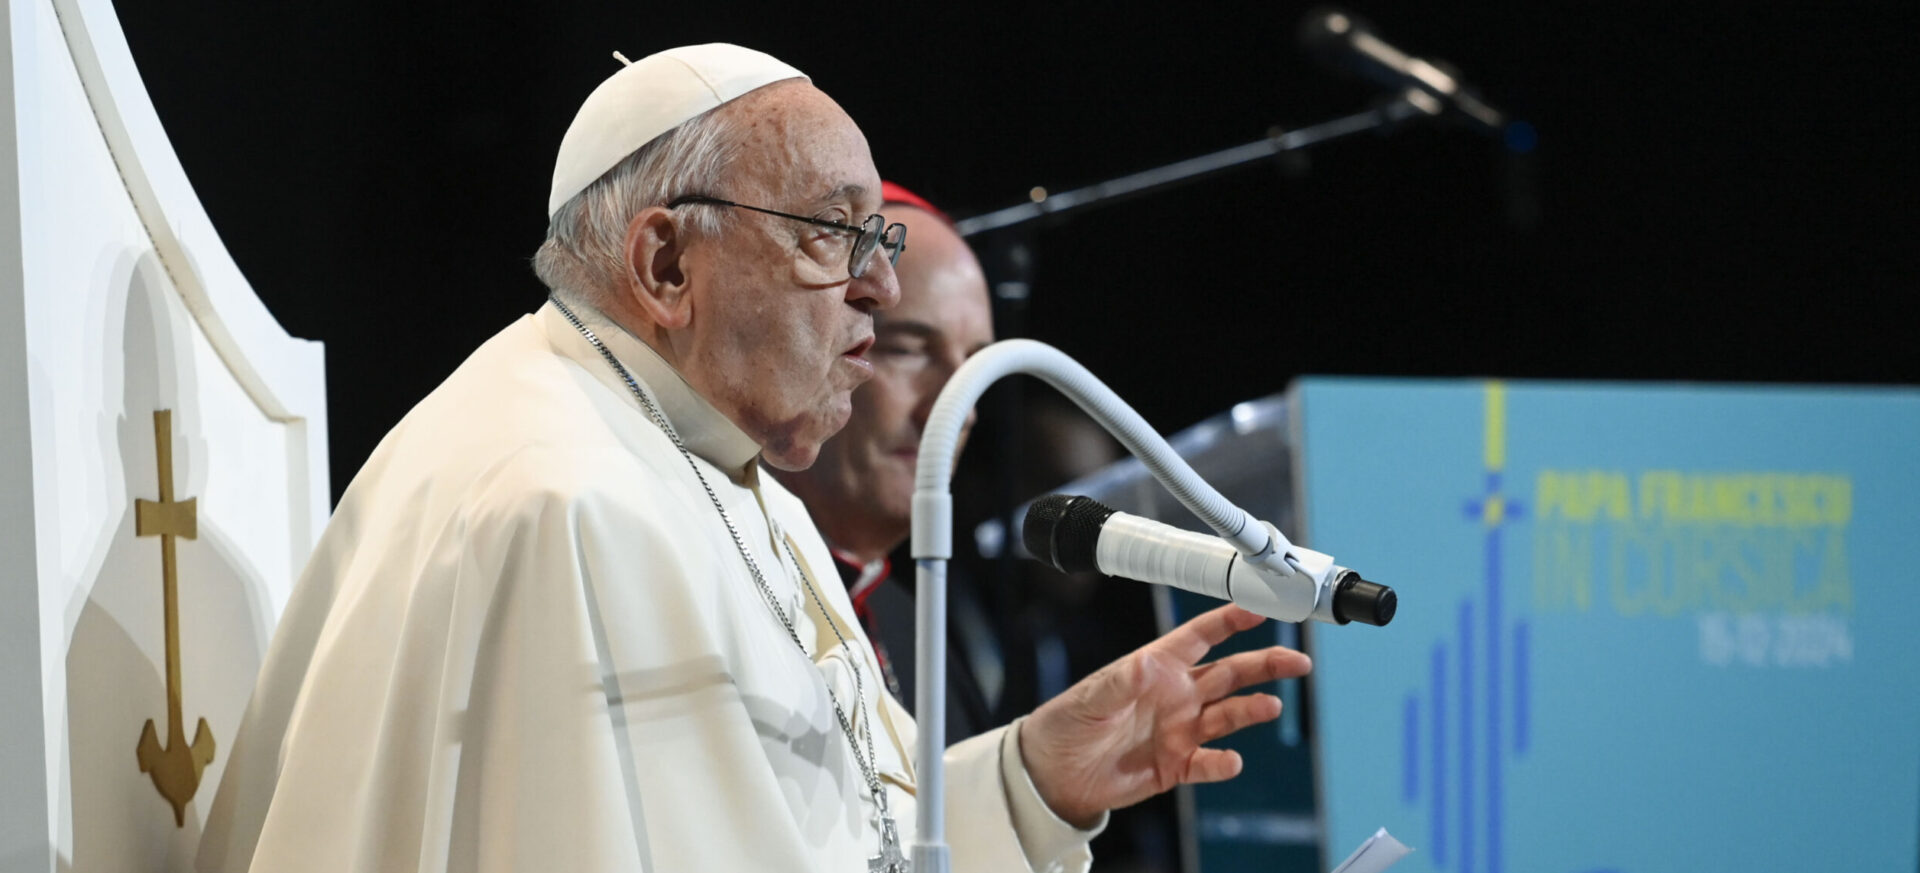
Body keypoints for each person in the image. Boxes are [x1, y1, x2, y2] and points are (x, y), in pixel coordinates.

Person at [198, 44, 1310, 873]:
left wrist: (1026, 781)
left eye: (878, 241)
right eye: (834, 234)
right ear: (666, 262)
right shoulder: (559, 499)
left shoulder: (727, 477)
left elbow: (823, 836)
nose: (878, 286)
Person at [769, 184, 1007, 741]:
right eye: (907, 348)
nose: (956, 408)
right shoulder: (715, 579)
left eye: (976, 364)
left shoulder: (919, 632)